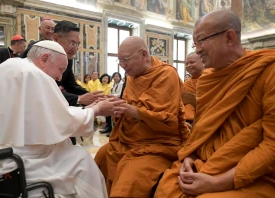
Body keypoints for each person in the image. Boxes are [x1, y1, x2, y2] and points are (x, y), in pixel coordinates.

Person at [0, 40, 126, 198]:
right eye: (60, 69)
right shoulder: (33, 74)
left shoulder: (12, 66)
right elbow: (60, 120)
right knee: (80, 160)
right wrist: (96, 110)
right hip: (5, 158)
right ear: (44, 59)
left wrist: (89, 110)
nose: (59, 77)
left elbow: (45, 114)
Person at [154, 9, 275, 198]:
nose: (197, 50)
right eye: (195, 44)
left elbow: (272, 146)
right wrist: (190, 157)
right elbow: (202, 130)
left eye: (201, 41)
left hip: (253, 174)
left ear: (229, 37)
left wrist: (217, 183)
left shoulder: (269, 72)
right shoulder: (207, 79)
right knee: (167, 187)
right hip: (206, 162)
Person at [94, 36, 190, 197]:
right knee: (102, 155)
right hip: (129, 139)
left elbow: (163, 118)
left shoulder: (166, 74)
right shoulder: (132, 76)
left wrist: (125, 108)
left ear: (144, 54)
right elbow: (130, 106)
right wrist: (117, 109)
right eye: (120, 61)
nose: (122, 66)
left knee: (129, 178)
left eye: (126, 60)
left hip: (158, 142)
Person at [53, 21, 103, 106]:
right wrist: (78, 99)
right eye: (72, 43)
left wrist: (94, 97)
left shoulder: (68, 59)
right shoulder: (38, 54)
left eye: (78, 44)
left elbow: (71, 85)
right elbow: (45, 90)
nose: (75, 49)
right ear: (56, 38)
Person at [182, 52, 204, 123]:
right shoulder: (186, 84)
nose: (188, 65)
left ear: (202, 61)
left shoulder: (209, 79)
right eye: (186, 64)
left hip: (203, 119)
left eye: (192, 62)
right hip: (186, 120)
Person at [100, 72, 123, 137]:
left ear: (119, 77)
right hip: (113, 100)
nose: (115, 78)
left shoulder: (122, 84)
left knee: (114, 117)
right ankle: (108, 128)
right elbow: (111, 92)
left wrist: (111, 95)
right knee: (108, 112)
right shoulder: (114, 84)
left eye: (117, 76)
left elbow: (120, 94)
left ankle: (113, 131)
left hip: (118, 102)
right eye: (114, 76)